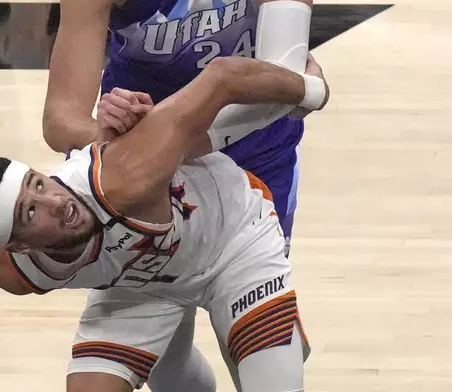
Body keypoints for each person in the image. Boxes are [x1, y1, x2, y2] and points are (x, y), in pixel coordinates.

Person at [0, 55, 328, 392]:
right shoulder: (13, 271)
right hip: (141, 285)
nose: (56, 202)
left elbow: (223, 77)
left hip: (233, 240)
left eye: (38, 183)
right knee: (159, 379)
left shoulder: (125, 175)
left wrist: (312, 91)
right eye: (31, 212)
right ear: (19, 247)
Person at [43, 0, 320, 259]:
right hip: (139, 157)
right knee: (153, 298)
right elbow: (61, 120)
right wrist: (109, 137)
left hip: (254, 147)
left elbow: (283, 86)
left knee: (258, 300)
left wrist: (165, 138)